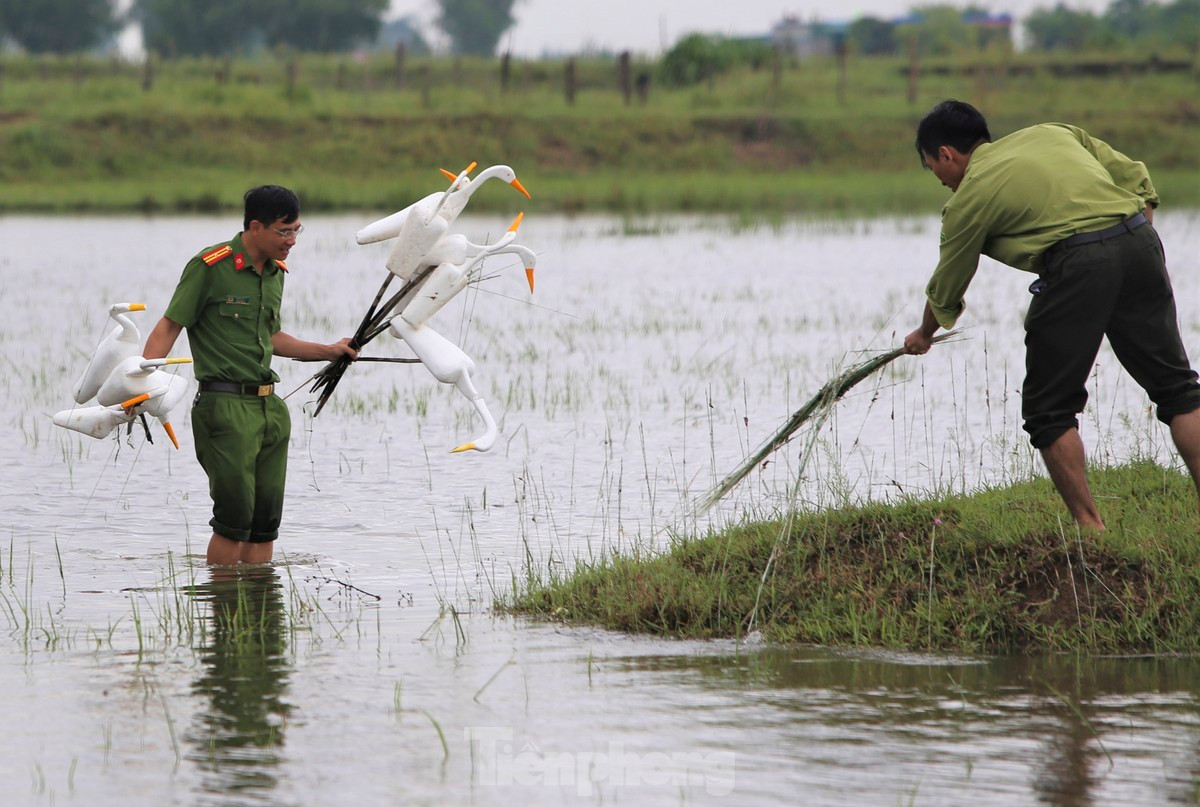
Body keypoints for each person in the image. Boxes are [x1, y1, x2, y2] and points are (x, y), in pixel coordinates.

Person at [903, 100, 1200, 530]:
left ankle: (1090, 530)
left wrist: (924, 334)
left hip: (1078, 264)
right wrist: (1136, 233)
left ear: (946, 154)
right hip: (1139, 242)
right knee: (1179, 390)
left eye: (934, 168)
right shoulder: (1054, 132)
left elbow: (947, 284)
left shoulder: (968, 200)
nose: (941, 181)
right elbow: (1135, 174)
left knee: (1048, 410)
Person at [143, 185, 358, 564]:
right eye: (283, 231)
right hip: (223, 406)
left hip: (270, 409)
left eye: (296, 231)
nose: (291, 241)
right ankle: (224, 610)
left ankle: (260, 612)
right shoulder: (210, 266)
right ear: (256, 227)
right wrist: (142, 386)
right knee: (234, 517)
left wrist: (329, 351)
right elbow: (168, 327)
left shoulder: (276, 273)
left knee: (264, 520)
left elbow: (271, 338)